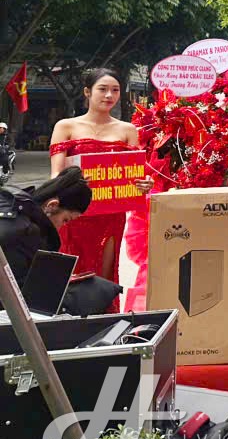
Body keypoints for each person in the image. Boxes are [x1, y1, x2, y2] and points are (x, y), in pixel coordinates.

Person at [49, 69, 147, 287]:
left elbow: (134, 173)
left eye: (115, 90)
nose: (109, 95)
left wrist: (143, 184)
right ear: (87, 92)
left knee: (104, 273)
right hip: (74, 212)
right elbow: (56, 174)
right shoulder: (65, 126)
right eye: (102, 89)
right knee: (71, 273)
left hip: (111, 213)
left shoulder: (128, 130)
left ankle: (104, 309)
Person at [0, 168, 92, 284]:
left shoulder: (12, 202)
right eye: (65, 220)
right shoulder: (26, 233)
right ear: (52, 205)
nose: (61, 227)